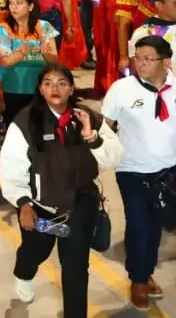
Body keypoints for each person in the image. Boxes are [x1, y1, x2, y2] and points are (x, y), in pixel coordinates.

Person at [0, 63, 123, 316]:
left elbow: (113, 158)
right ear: (40, 90)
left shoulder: (88, 117)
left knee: (75, 265)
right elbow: (12, 167)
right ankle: (24, 273)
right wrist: (23, 203)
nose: (55, 88)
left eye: (62, 83)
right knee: (36, 250)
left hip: (80, 204)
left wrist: (92, 137)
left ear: (71, 88)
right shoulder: (25, 121)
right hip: (42, 208)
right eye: (48, 83)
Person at [100, 35, 176, 310]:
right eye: (137, 58)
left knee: (157, 225)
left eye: (148, 59)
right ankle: (138, 279)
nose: (140, 63)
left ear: (166, 62)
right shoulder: (122, 89)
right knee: (138, 225)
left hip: (168, 171)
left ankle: (146, 272)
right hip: (132, 170)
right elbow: (105, 127)